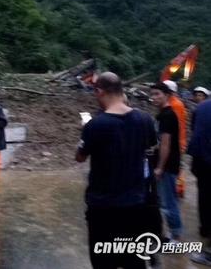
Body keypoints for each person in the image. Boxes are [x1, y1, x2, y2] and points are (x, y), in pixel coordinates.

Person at [76, 72, 158, 269]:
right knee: (133, 261)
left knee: (103, 261)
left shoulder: (95, 125)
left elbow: (80, 157)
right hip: (135, 205)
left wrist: (85, 130)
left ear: (99, 91)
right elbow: (149, 147)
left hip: (103, 208)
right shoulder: (145, 120)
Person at [150, 82, 183, 241]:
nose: (154, 97)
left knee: (169, 202)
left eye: (158, 94)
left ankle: (176, 237)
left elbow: (166, 144)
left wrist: (160, 167)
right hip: (165, 164)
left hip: (168, 165)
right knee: (166, 200)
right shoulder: (162, 114)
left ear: (167, 95)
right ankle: (172, 233)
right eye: (153, 94)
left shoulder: (168, 116)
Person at [188, 99, 211, 265]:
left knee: (206, 203)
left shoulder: (202, 107)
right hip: (204, 162)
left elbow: (195, 132)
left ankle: (208, 251)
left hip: (203, 163)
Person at [163, 80, 188, 197]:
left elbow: (174, 126)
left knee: (177, 167)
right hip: (178, 140)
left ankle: (179, 189)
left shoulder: (175, 105)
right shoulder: (175, 103)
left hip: (177, 141)